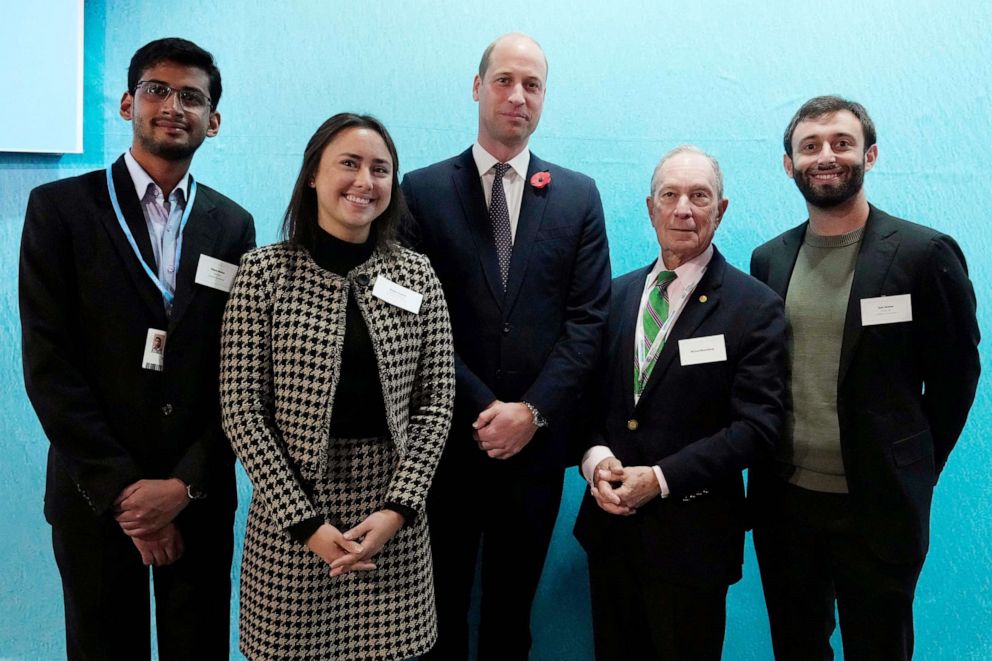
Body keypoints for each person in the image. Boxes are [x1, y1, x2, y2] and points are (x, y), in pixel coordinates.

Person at [19, 38, 255, 659]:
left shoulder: (232, 225)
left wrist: (184, 485)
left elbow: (239, 373)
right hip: (95, 498)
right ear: (128, 103)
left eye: (192, 96)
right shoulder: (61, 210)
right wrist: (128, 495)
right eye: (156, 89)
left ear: (214, 119)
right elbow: (49, 366)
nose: (172, 106)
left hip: (197, 499)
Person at [401, 32, 611, 660]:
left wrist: (532, 412)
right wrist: (484, 407)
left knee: (509, 617)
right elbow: (412, 316)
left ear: (544, 97)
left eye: (532, 85)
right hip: (444, 444)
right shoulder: (422, 189)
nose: (517, 96)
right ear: (477, 87)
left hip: (536, 450)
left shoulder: (577, 196)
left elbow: (588, 321)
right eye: (504, 80)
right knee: (437, 614)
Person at [750, 95, 981, 660]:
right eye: (810, 146)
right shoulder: (768, 261)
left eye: (841, 143)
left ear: (869, 155)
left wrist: (913, 466)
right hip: (785, 506)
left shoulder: (924, 254)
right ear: (789, 165)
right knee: (797, 648)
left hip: (877, 507)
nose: (825, 156)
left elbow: (957, 378)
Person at [220, 113, 455, 661]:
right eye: (348, 164)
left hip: (392, 521)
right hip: (292, 521)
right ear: (313, 176)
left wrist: (399, 508)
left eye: (380, 169)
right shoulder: (263, 274)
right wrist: (307, 525)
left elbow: (437, 402)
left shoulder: (416, 276)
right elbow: (241, 410)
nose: (364, 181)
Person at [573, 146, 787, 660]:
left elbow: (758, 427)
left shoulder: (754, 306)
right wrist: (596, 460)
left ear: (722, 209)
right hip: (611, 534)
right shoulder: (616, 296)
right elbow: (586, 401)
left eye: (699, 196)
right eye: (670, 195)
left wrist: (661, 479)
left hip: (693, 543)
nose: (683, 209)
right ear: (651, 208)